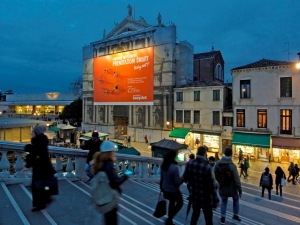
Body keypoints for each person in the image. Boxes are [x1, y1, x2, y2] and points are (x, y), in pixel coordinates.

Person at [92, 140, 128, 225]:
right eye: (113, 151)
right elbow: (114, 183)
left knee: (107, 220)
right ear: (110, 152)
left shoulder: (99, 163)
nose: (114, 153)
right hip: (110, 199)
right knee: (112, 221)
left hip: (103, 198)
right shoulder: (108, 164)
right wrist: (125, 177)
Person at [183, 146, 219, 225]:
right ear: (204, 154)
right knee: (208, 219)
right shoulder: (207, 167)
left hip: (195, 196)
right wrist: (216, 200)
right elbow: (211, 186)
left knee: (195, 215)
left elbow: (185, 178)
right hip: (206, 198)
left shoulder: (190, 164)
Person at [25, 125, 56, 212]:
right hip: (40, 167)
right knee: (40, 186)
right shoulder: (38, 141)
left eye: (33, 132)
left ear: (37, 133)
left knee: (38, 186)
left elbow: (39, 152)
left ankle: (44, 201)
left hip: (43, 168)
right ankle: (43, 202)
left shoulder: (41, 141)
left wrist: (29, 148)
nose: (32, 133)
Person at [214, 148, 242, 224]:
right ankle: (235, 215)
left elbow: (214, 174)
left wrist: (217, 182)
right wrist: (240, 190)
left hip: (222, 186)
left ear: (224, 153)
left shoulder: (218, 163)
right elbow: (237, 180)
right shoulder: (232, 166)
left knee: (223, 202)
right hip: (232, 188)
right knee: (236, 200)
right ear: (231, 155)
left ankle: (223, 217)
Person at [160, 150, 183, 225]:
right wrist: (182, 179)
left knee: (171, 203)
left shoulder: (163, 165)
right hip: (173, 191)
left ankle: (170, 220)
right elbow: (177, 182)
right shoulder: (174, 168)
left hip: (165, 189)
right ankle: (170, 218)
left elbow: (162, 178)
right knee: (180, 203)